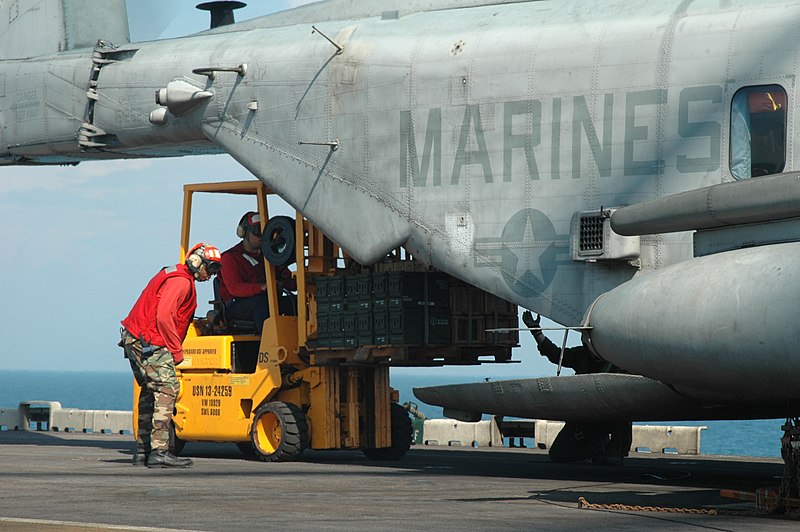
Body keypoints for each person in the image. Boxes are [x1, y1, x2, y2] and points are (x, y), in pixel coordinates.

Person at [120, 242, 222, 468]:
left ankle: (143, 451)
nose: (211, 274)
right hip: (150, 341)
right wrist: (176, 351)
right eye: (211, 268)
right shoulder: (182, 283)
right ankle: (159, 451)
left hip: (135, 338)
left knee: (150, 390)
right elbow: (164, 317)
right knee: (168, 389)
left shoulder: (175, 275)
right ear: (196, 262)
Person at [522, 310, 633, 466]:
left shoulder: (618, 361)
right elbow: (555, 354)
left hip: (609, 416)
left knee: (624, 410)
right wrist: (536, 331)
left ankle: (616, 451)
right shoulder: (582, 356)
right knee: (558, 455)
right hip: (585, 418)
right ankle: (595, 447)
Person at [219, 211, 295, 333]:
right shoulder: (230, 258)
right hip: (237, 305)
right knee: (261, 303)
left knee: (295, 303)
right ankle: (270, 344)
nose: (262, 236)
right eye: (257, 231)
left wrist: (300, 281)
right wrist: (262, 288)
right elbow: (235, 288)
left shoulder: (270, 256)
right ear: (244, 232)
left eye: (266, 232)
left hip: (267, 300)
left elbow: (289, 281)